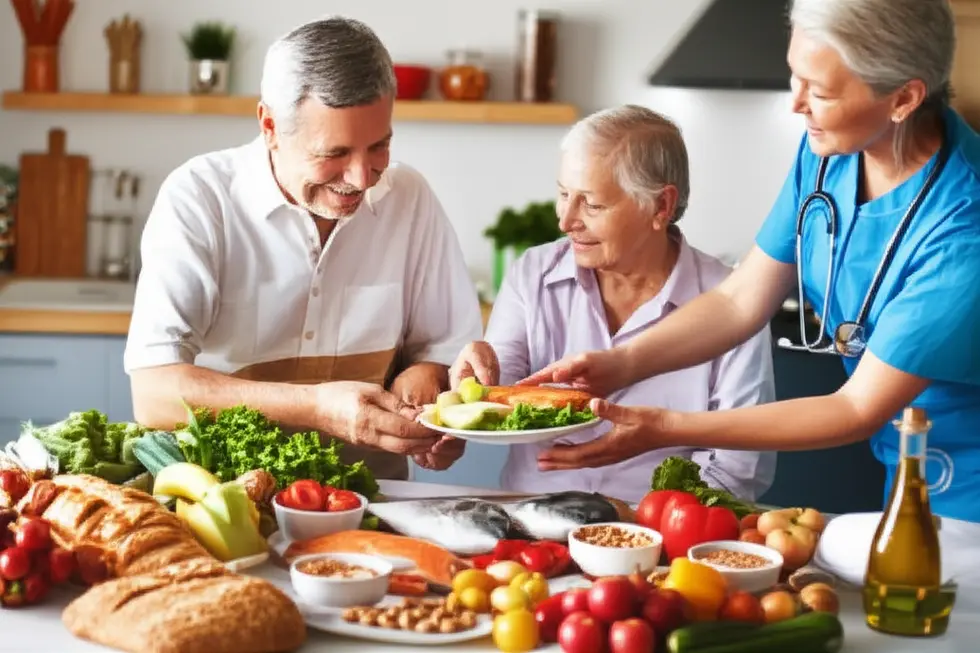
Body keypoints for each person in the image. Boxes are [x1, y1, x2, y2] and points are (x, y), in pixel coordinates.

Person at [512, 0, 980, 524]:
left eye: (820, 92)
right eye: (795, 77)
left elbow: (854, 409)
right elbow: (739, 301)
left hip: (969, 489)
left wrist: (666, 427)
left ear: (904, 98)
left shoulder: (965, 231)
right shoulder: (830, 154)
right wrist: (620, 364)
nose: (796, 105)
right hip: (909, 464)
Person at [124, 17, 482, 479]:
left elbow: (443, 349)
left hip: (374, 504)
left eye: (379, 146)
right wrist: (315, 406)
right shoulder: (199, 197)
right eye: (333, 153)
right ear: (270, 126)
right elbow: (153, 393)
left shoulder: (409, 197)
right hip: (224, 506)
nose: (360, 178)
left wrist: (427, 390)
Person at [450, 105, 777, 504]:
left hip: (661, 529)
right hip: (530, 518)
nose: (566, 220)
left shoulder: (733, 299)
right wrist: (479, 373)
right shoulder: (533, 273)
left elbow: (738, 466)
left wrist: (647, 524)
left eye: (592, 204)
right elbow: (503, 395)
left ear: (660, 206)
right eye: (563, 194)